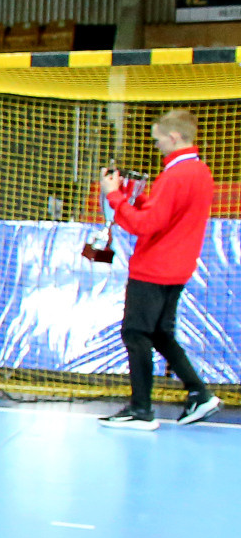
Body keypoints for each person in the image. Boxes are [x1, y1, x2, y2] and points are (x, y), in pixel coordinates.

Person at [100, 109, 221, 429]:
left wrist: (114, 197)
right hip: (177, 267)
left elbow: (146, 225)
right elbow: (162, 215)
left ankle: (141, 409)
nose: (156, 146)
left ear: (175, 137)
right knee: (159, 334)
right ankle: (199, 392)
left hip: (154, 268)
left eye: (158, 140)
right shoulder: (199, 172)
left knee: (136, 332)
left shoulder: (175, 175)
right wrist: (131, 199)